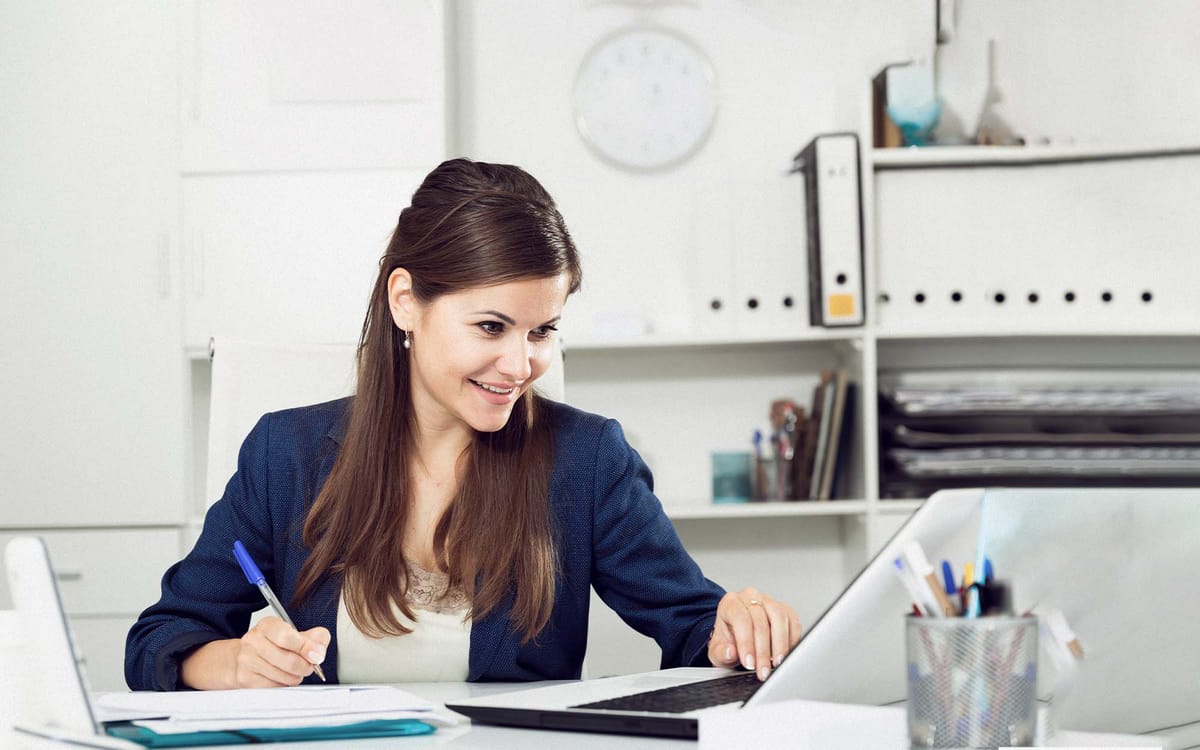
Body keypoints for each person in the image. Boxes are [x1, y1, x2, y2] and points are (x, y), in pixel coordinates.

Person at [125, 158, 802, 691]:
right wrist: (231, 664)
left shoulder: (587, 459)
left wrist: (733, 629)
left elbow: (689, 624)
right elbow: (162, 638)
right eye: (491, 326)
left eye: (543, 331)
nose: (520, 364)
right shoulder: (287, 453)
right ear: (405, 302)